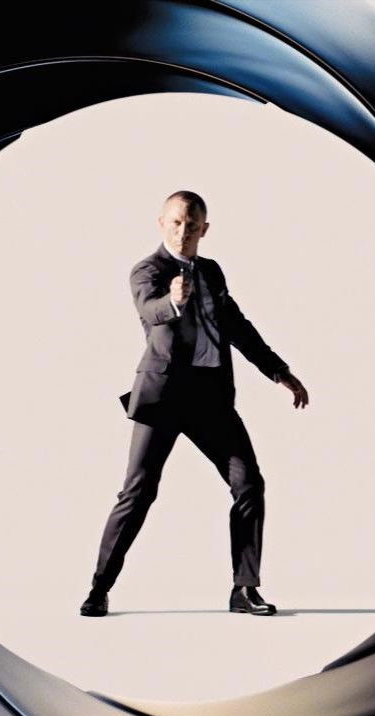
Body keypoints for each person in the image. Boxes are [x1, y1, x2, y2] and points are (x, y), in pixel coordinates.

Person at [80, 190, 308, 617]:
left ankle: (244, 590)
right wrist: (174, 301)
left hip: (210, 398)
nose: (182, 232)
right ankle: (99, 588)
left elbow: (236, 325)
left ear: (205, 229)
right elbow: (150, 310)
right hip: (163, 397)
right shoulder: (147, 270)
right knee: (138, 492)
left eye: (191, 225)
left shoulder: (212, 272)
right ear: (162, 224)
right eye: (175, 223)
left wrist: (278, 370)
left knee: (249, 484)